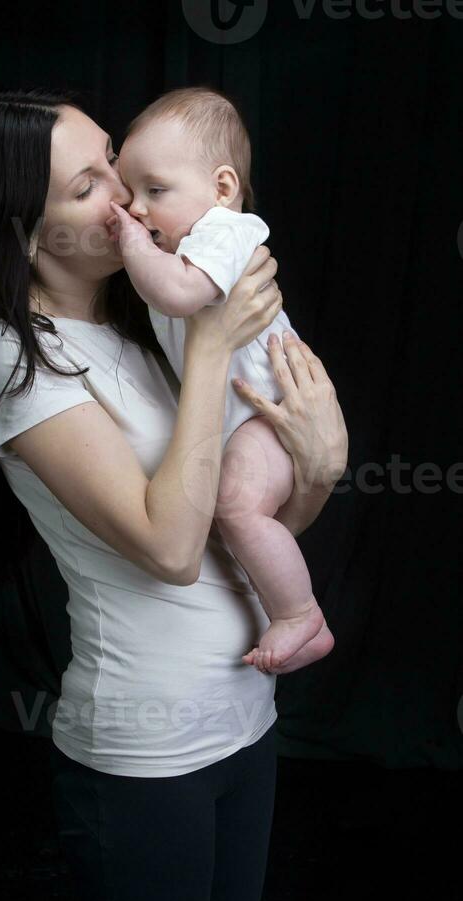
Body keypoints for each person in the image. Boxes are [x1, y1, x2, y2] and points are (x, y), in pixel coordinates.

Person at [0, 87, 348, 901]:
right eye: (87, 187)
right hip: (147, 750)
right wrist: (217, 346)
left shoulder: (148, 326)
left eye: (112, 158)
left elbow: (251, 524)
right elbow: (171, 548)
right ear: (25, 234)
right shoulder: (19, 354)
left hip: (244, 716)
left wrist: (320, 467)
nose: (123, 195)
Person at [107, 85, 335, 675]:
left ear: (223, 188)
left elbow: (179, 293)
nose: (135, 209)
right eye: (129, 194)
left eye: (155, 191)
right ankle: (289, 613)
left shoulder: (224, 231)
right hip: (246, 420)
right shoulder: (183, 248)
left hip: (272, 413)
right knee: (232, 511)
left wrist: (132, 242)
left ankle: (299, 612)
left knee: (234, 507)